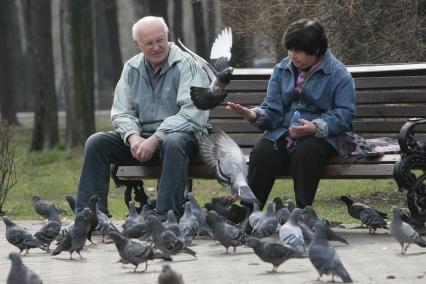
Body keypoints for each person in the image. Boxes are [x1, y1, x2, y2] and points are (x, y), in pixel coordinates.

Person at [75, 16, 210, 220]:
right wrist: (133, 137)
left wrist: (157, 138)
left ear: (167, 36)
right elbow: (121, 112)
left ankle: (166, 219)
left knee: (174, 142)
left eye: (160, 40)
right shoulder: (131, 68)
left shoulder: (187, 64)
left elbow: (192, 114)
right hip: (143, 140)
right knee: (97, 143)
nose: (157, 47)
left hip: (183, 139)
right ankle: (89, 218)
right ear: (138, 44)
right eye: (149, 43)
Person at [226, 18, 356, 209]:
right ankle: (248, 212)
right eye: (290, 49)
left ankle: (304, 212)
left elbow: (345, 114)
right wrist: (253, 115)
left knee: (305, 152)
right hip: (283, 131)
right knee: (262, 153)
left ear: (316, 50)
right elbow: (272, 110)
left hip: (324, 136)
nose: (292, 55)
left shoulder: (338, 73)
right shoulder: (282, 69)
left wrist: (315, 127)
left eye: (298, 51)